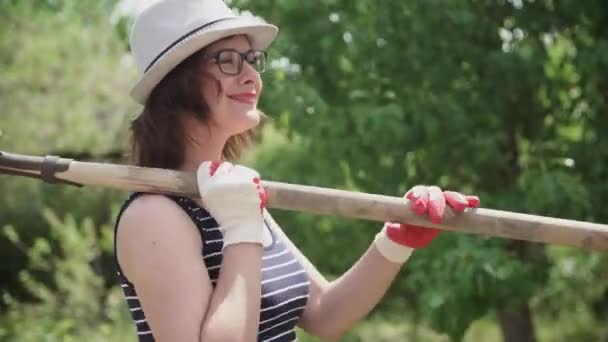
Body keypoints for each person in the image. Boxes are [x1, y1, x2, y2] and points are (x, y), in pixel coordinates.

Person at [113, 0, 481, 341]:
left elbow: (324, 314)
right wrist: (240, 227)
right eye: (227, 60)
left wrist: (396, 240)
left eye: (252, 59)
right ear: (176, 85)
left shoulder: (230, 191)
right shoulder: (155, 216)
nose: (251, 77)